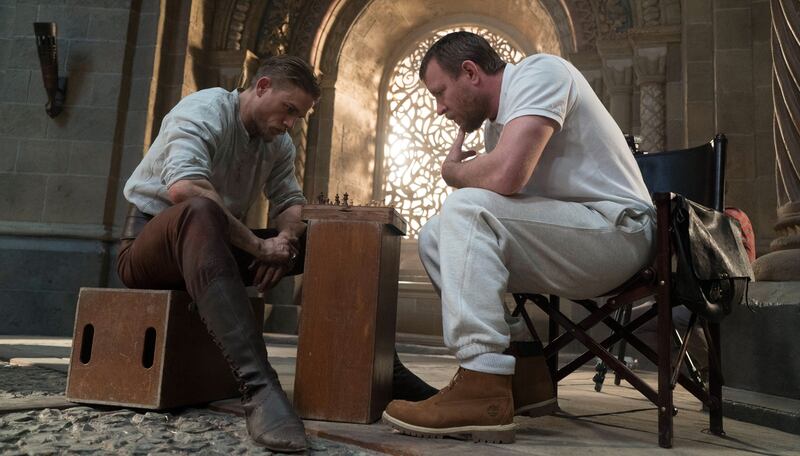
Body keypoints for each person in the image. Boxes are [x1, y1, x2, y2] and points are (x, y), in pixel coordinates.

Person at [117, 55, 433, 452]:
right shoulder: (205, 109)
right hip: (151, 246)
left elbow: (290, 202)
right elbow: (187, 189)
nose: (290, 123)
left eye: (298, 116)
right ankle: (260, 387)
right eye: (288, 110)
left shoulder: (278, 143)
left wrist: (284, 242)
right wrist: (257, 246)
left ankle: (383, 369)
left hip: (219, 246)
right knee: (200, 210)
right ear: (261, 86)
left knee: (331, 238)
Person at [381, 32, 656, 444]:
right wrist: (475, 178)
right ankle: (525, 374)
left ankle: (482, 381)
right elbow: (506, 197)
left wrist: (454, 174)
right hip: (574, 238)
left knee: (465, 207)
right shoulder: (497, 129)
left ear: (470, 72)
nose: (439, 109)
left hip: (618, 234)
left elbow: (508, 176)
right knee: (436, 235)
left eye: (441, 93)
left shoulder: (540, 73)